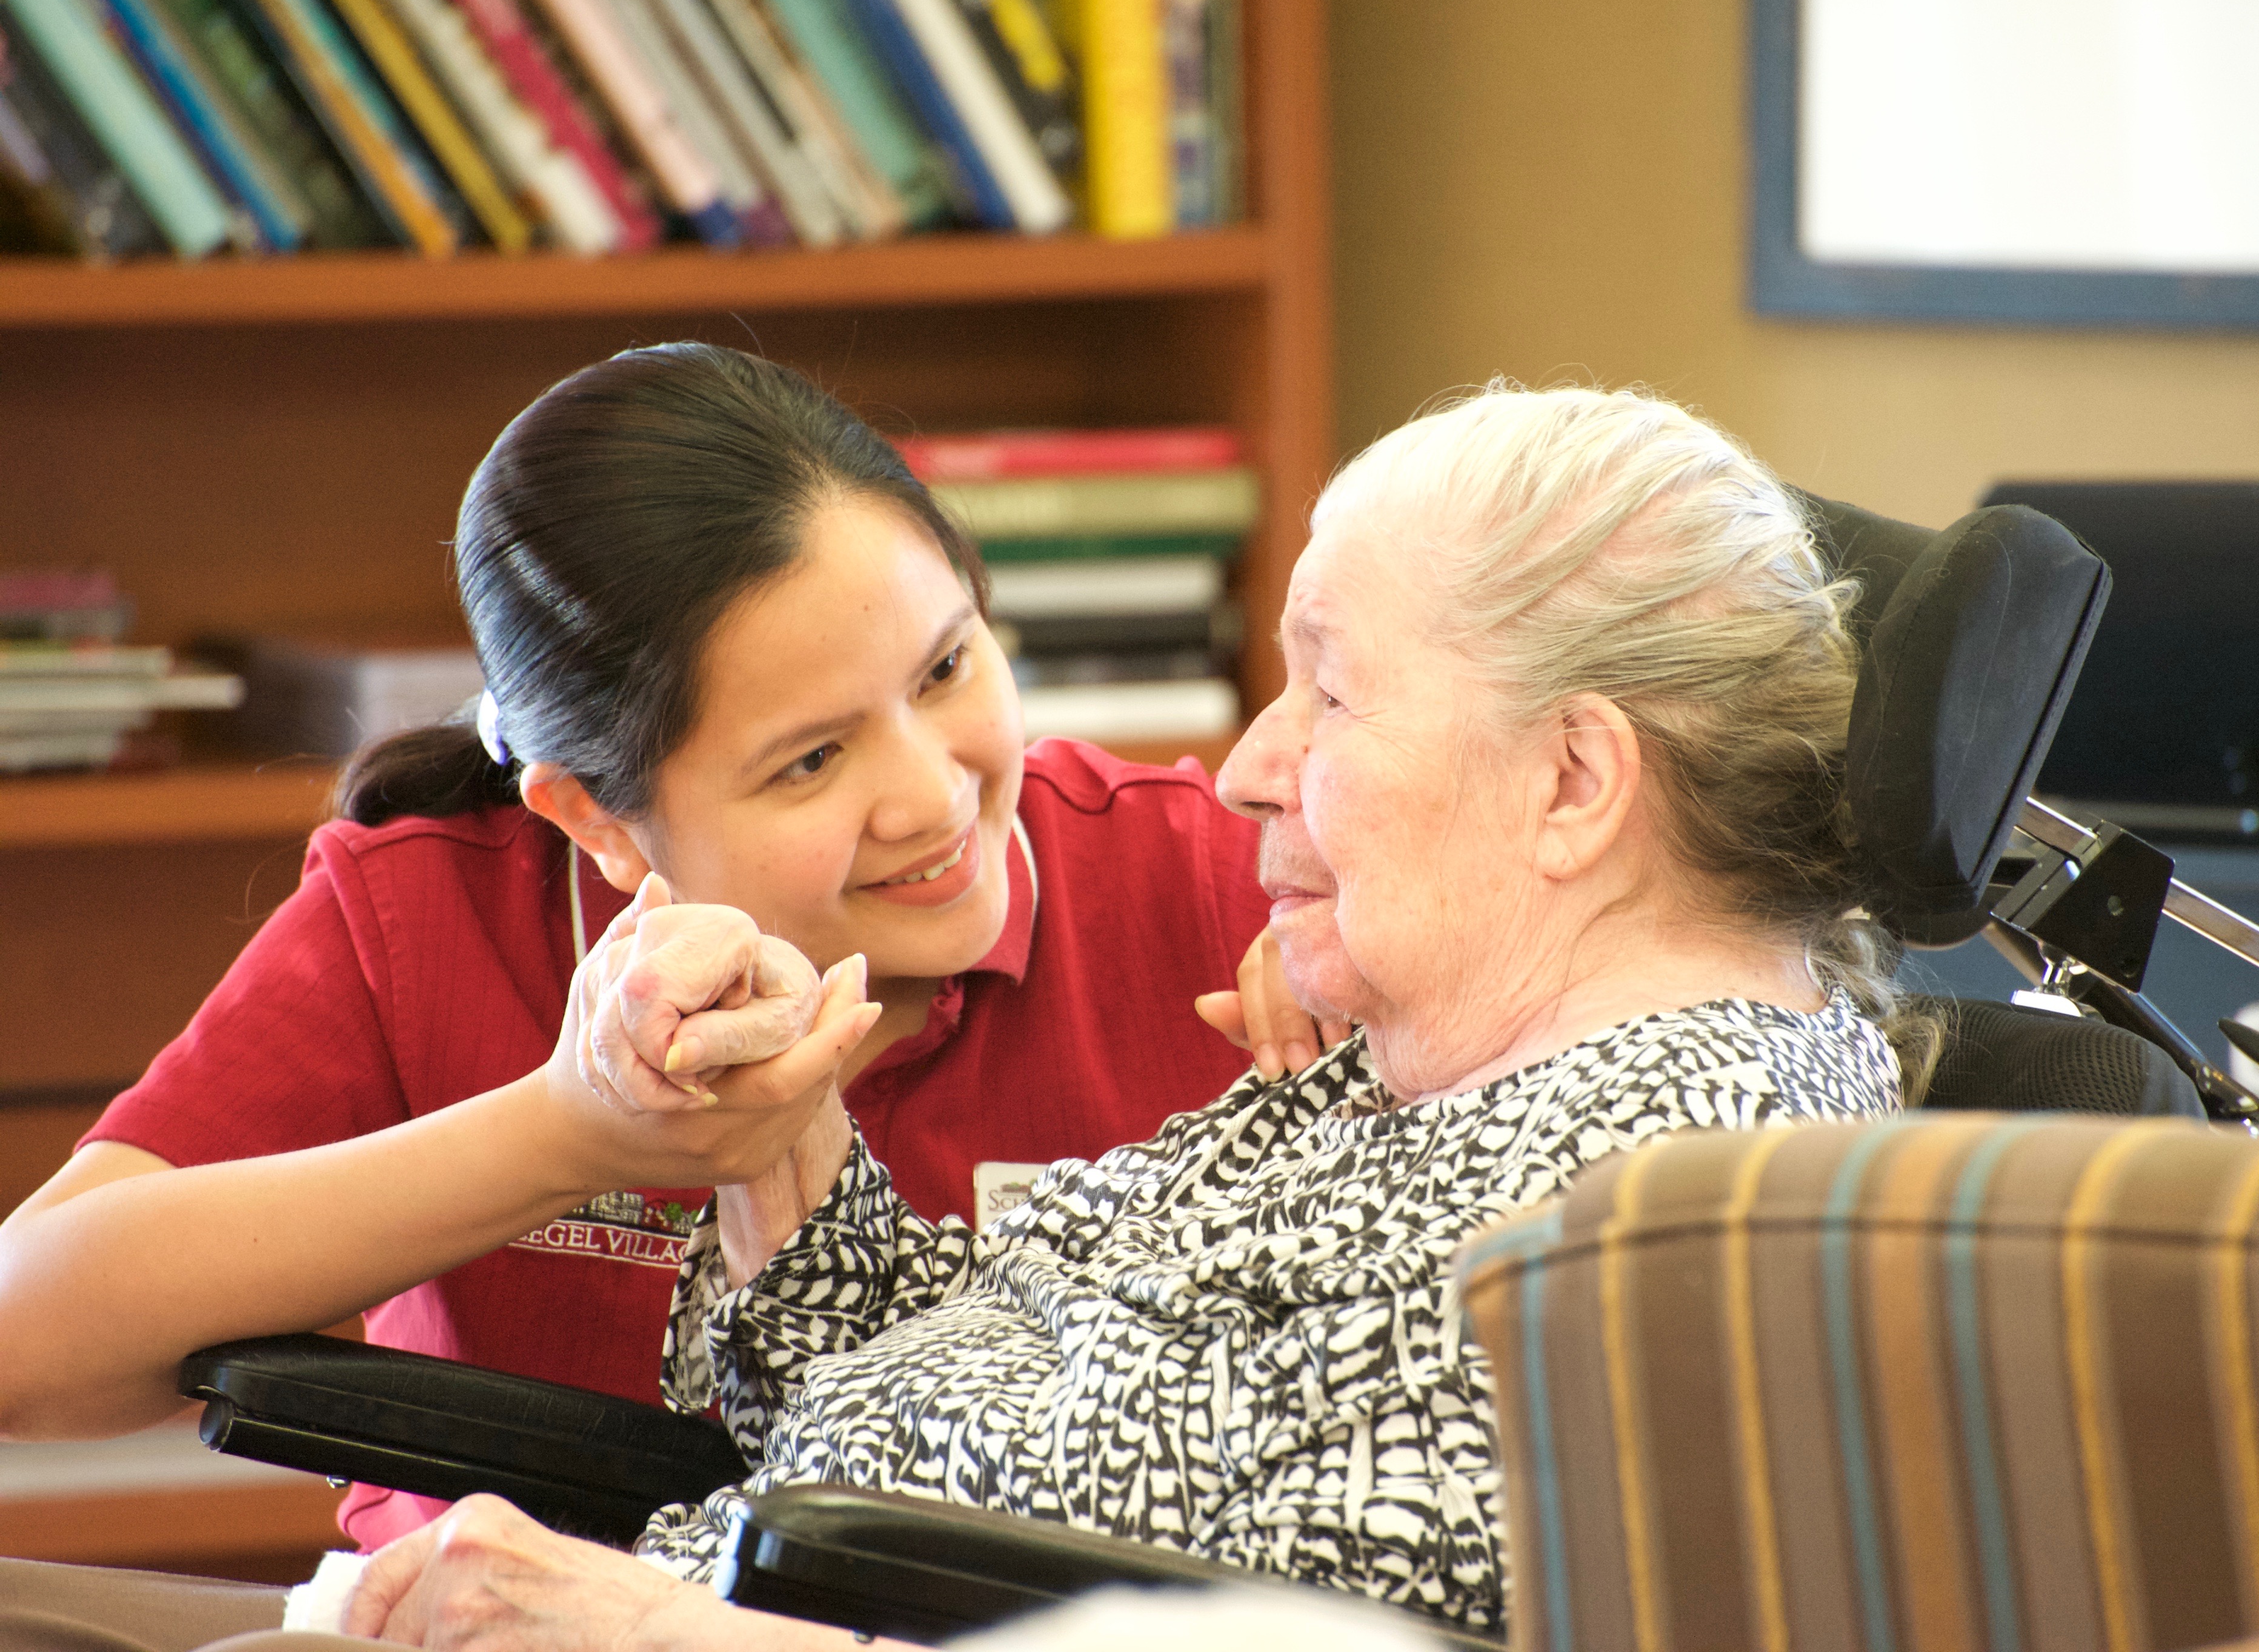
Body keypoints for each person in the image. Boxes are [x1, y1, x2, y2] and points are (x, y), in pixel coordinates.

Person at [0, 382, 1925, 1651]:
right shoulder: (1445, 1034)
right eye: (816, 753)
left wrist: (655, 1627)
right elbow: (972, 1406)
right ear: (596, 820)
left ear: (1578, 787)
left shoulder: (1619, 1178)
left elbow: (1280, 1609)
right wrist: (691, 1150)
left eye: (1328, 697)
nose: (1248, 775)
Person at [0, 343, 1336, 1550]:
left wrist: (1397, 1060)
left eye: (945, 669)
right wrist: (570, 1137)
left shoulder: (1214, 881)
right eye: (811, 760)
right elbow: (28, 1346)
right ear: (597, 819)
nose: (934, 795)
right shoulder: (431, 912)